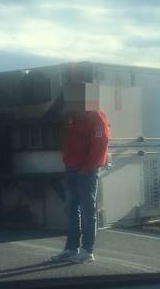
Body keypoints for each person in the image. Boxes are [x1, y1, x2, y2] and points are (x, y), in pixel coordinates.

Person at [51, 110, 110, 263]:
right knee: (71, 208)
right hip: (72, 168)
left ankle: (87, 251)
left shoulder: (95, 117)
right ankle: (71, 248)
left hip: (86, 170)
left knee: (87, 210)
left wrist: (88, 167)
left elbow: (101, 143)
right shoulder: (73, 116)